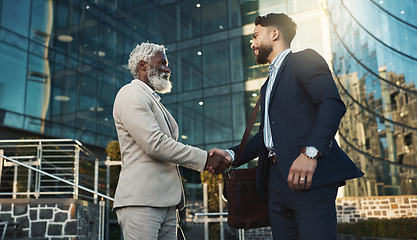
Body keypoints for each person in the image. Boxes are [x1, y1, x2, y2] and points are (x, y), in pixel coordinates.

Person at [211, 13, 364, 239]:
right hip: (275, 181)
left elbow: (331, 104)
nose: (252, 43)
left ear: (275, 33)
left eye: (255, 35)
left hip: (308, 177)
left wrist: (310, 153)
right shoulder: (267, 84)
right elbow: (267, 134)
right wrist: (232, 155)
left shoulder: (304, 59)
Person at [112, 42, 230, 240]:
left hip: (164, 203)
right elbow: (154, 144)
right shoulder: (130, 93)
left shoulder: (151, 99)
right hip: (142, 203)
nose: (168, 69)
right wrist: (204, 159)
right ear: (143, 66)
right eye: (162, 63)